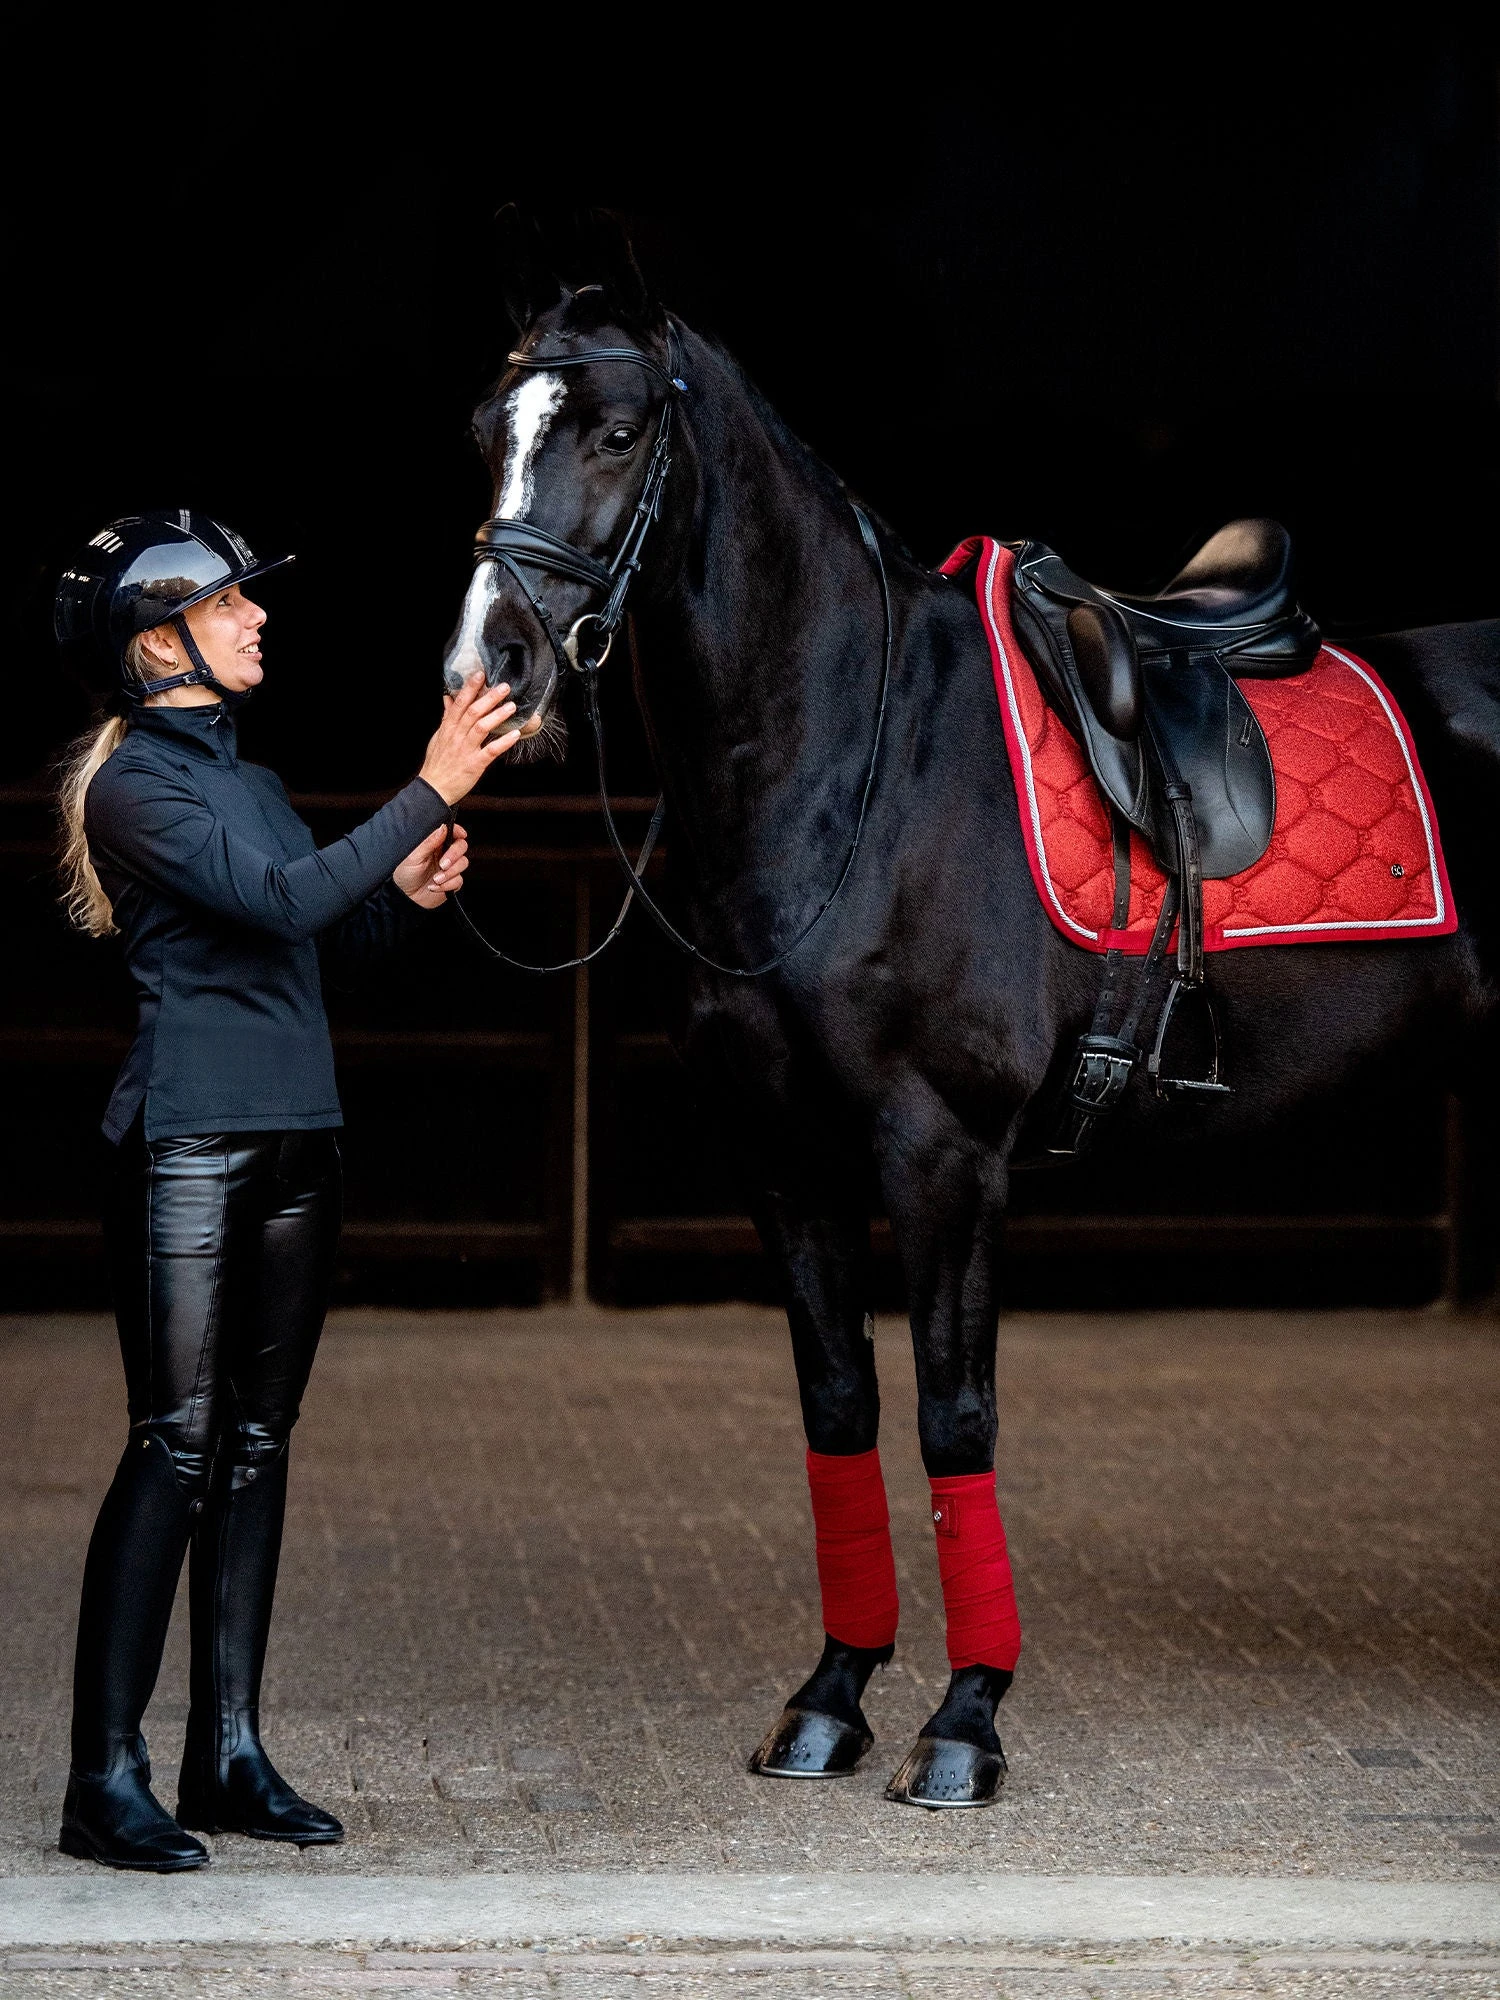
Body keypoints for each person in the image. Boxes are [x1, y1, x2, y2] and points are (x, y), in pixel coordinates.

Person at [50, 509, 522, 1870]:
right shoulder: (137, 784)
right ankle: (106, 1776)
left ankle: (227, 1754)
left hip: (295, 1138)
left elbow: (315, 929)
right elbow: (275, 900)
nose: (261, 617)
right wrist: (427, 791)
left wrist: (406, 893)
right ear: (160, 642)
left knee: (257, 1444)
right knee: (178, 1443)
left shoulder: (239, 775)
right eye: (236, 601)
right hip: (189, 1146)